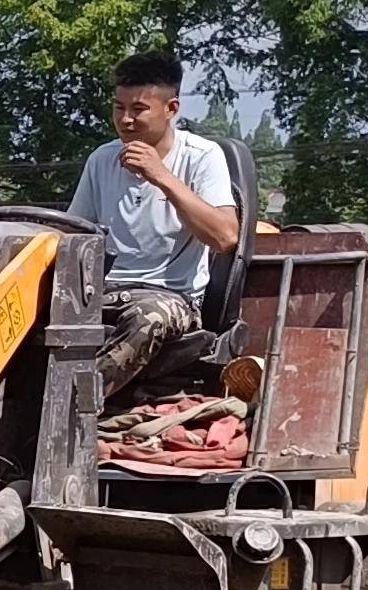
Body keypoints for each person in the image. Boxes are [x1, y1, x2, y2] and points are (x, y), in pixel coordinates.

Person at [66, 49, 242, 397]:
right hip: (105, 292)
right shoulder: (102, 159)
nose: (126, 120)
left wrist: (162, 176)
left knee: (147, 318)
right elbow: (72, 235)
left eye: (138, 109)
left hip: (171, 298)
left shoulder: (202, 157)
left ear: (171, 109)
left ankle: (76, 405)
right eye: (119, 108)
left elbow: (225, 236)